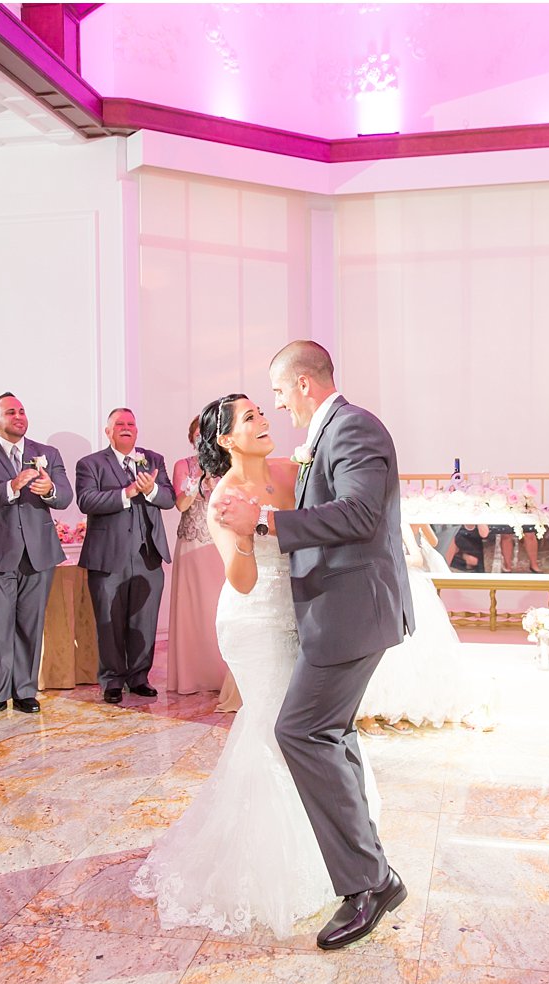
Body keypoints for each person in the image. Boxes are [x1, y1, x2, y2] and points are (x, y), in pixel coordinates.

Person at [134, 393, 372, 936]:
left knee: (307, 731)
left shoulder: (293, 471)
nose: (263, 421)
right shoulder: (223, 497)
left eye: (263, 413)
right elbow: (240, 582)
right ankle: (282, 870)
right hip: (254, 622)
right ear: (225, 439)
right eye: (249, 418)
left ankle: (343, 853)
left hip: (304, 614)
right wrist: (243, 534)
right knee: (275, 733)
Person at [217, 340, 414, 951]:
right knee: (330, 731)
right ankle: (371, 867)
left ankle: (368, 883)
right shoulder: (329, 436)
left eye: (278, 393)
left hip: (352, 613)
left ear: (303, 385)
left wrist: (268, 523)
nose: (277, 405)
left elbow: (358, 514)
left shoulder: (353, 428)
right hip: (339, 612)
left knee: (300, 730)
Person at [0, 392, 72, 720]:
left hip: (38, 553)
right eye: (11, 412)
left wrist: (49, 489)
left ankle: (24, 690)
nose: (19, 416)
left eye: (22, 411)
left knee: (30, 624)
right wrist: (12, 485)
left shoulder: (46, 453)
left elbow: (64, 496)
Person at [75, 409, 176, 705]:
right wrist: (128, 492)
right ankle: (112, 679)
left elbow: (168, 499)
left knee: (144, 620)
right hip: (108, 556)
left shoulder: (153, 460)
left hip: (148, 555)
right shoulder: (90, 463)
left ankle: (139, 677)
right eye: (119, 424)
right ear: (108, 432)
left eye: (131, 423)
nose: (126, 428)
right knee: (109, 621)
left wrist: (152, 489)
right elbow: (85, 500)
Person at [357, 522, 493, 734]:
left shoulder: (401, 519)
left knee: (406, 653)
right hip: (374, 583)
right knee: (378, 652)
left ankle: (395, 711)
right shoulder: (365, 516)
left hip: (405, 584)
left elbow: (420, 555)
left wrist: (384, 558)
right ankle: (368, 715)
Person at [165, 414, 233, 699]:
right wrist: (198, 481)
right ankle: (194, 675)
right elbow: (180, 504)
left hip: (222, 544)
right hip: (193, 543)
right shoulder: (184, 465)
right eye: (197, 434)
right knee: (195, 609)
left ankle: (224, 676)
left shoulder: (228, 463)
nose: (201, 438)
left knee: (221, 608)